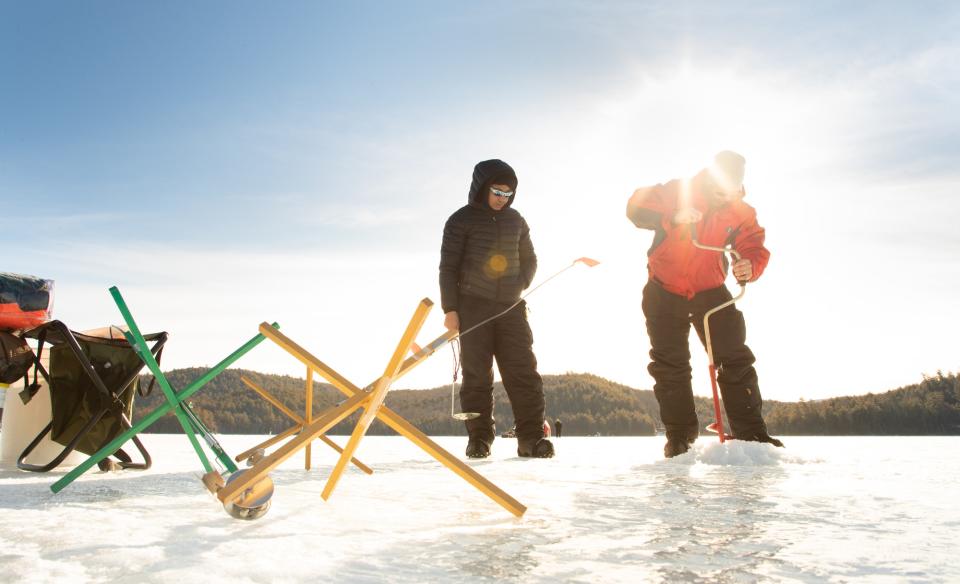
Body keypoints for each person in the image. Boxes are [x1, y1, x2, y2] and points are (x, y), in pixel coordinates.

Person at [626, 151, 784, 458]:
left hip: (710, 290)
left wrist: (749, 265)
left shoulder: (741, 212)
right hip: (664, 289)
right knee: (670, 365)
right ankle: (680, 435)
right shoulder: (678, 191)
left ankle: (750, 433)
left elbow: (753, 245)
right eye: (721, 191)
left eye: (733, 192)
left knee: (734, 357)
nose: (726, 198)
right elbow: (635, 207)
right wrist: (672, 217)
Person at [439, 159, 554, 459]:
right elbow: (448, 267)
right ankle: (479, 438)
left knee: (523, 372)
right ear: (481, 187)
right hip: (472, 306)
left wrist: (520, 283)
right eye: (497, 192)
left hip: (511, 308)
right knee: (477, 375)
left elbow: (530, 259)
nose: (502, 199)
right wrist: (451, 309)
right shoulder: (459, 220)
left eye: (508, 194)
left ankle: (531, 438)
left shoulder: (517, 221)